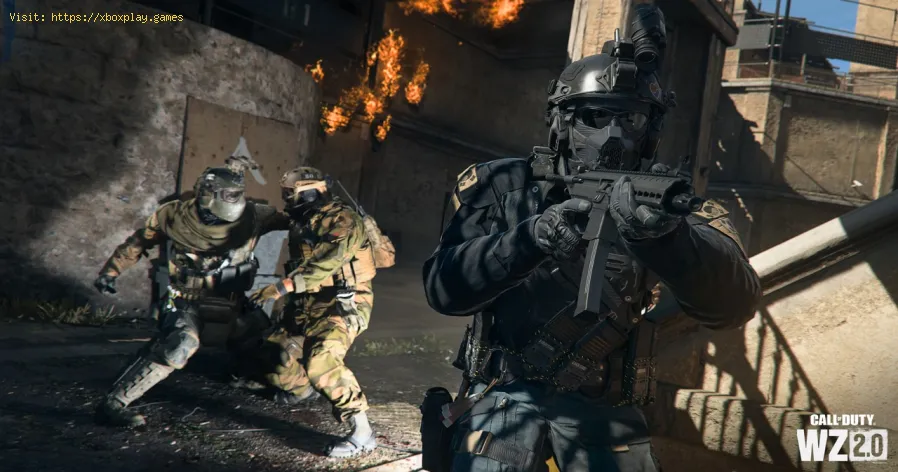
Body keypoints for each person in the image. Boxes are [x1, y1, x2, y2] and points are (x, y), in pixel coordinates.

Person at [421, 6, 763, 471]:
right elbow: (443, 289)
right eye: (595, 116)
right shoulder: (504, 186)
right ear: (562, 123)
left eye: (631, 119)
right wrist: (529, 239)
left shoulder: (666, 203)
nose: (613, 135)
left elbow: (735, 303)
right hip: (503, 395)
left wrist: (669, 240)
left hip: (606, 411)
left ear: (651, 131)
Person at [93, 158, 289, 428]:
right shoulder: (174, 215)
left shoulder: (254, 215)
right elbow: (139, 241)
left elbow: (298, 222)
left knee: (272, 348)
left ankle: (261, 379)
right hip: (187, 302)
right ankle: (114, 403)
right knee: (180, 345)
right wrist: (111, 271)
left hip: (233, 304)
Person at [247, 167, 379, 459]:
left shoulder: (344, 221)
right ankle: (302, 388)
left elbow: (324, 266)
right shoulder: (304, 219)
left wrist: (278, 289)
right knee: (273, 355)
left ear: (308, 193)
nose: (287, 199)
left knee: (320, 359)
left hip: (342, 303)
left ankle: (363, 433)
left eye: (290, 194)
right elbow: (268, 218)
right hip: (307, 303)